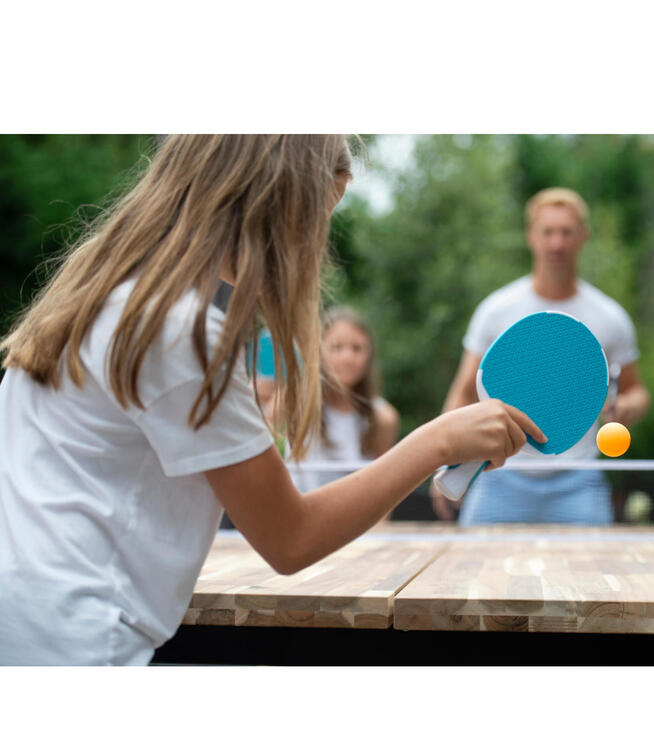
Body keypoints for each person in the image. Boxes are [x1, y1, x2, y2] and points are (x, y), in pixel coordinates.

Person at [0, 135, 544, 665]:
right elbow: (290, 539)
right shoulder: (179, 332)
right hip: (77, 641)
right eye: (318, 215)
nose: (317, 241)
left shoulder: (107, 297)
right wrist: (439, 439)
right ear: (274, 201)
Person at [430, 187, 650, 525]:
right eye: (548, 232)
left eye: (566, 232)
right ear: (531, 236)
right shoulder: (496, 310)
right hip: (500, 475)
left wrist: (628, 406)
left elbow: (637, 391)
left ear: (583, 237)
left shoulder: (610, 317)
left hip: (579, 480)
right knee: (473, 573)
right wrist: (440, 458)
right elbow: (463, 391)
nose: (556, 243)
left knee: (595, 574)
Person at [285, 306, 399, 492]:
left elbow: (386, 488)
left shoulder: (383, 418)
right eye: (336, 347)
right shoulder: (297, 404)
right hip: (300, 514)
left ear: (369, 354)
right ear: (318, 351)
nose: (347, 358)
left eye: (357, 349)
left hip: (360, 518)